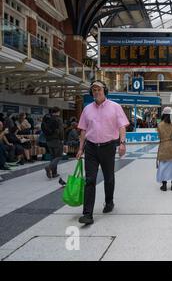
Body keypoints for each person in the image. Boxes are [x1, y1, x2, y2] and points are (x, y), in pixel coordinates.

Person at [76, 80, 129, 225]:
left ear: (104, 91)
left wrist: (122, 143)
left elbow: (122, 126)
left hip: (108, 147)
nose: (96, 92)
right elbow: (83, 130)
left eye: (99, 89)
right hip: (91, 148)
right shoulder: (87, 109)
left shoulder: (115, 107)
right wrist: (81, 148)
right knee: (90, 180)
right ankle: (87, 214)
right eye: (94, 90)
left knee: (109, 178)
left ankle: (109, 201)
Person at [43, 107, 65, 184]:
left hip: (48, 140)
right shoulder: (58, 119)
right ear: (58, 112)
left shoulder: (47, 119)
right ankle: (49, 167)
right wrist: (62, 139)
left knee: (53, 156)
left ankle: (54, 173)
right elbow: (61, 130)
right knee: (59, 156)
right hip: (56, 140)